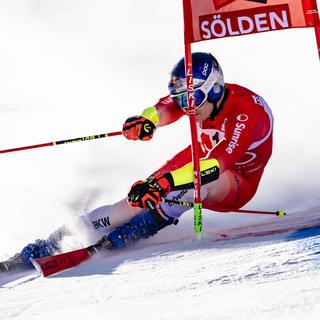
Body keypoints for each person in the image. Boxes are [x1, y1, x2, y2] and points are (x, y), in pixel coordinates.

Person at [1, 52, 273, 272]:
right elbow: (164, 108)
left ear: (214, 89)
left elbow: (215, 166)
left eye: (192, 99)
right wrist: (146, 121)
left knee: (192, 185)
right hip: (199, 157)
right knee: (135, 199)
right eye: (182, 98)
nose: (187, 106)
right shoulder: (197, 99)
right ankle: (44, 247)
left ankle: (128, 235)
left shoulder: (248, 113)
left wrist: (166, 182)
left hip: (235, 180)